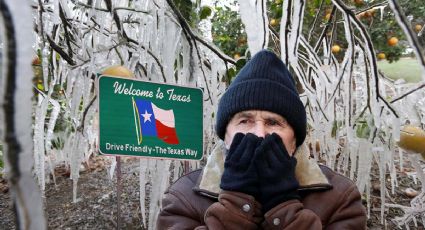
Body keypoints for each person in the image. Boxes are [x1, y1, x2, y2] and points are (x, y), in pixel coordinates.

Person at [157, 50, 367, 229]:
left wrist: (284, 207)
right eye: (245, 121)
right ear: (225, 135)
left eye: (274, 122)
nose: (259, 134)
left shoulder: (340, 198)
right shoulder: (183, 198)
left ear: (295, 139)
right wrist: (235, 204)